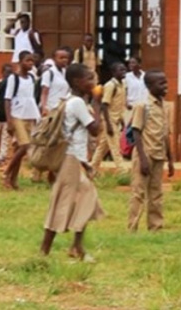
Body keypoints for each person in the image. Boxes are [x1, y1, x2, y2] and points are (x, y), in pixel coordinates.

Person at [40, 64, 104, 261]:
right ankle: (45, 250)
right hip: (71, 160)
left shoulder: (69, 100)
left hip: (75, 158)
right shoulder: (76, 103)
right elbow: (95, 129)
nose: (93, 83)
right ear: (77, 82)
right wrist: (98, 104)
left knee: (85, 198)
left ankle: (76, 247)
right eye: (89, 79)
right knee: (63, 202)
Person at [128, 71, 174, 232]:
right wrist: (142, 159)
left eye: (165, 82)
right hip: (145, 154)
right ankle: (132, 227)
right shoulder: (143, 106)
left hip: (159, 154)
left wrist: (171, 159)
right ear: (149, 86)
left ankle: (155, 227)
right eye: (161, 83)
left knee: (156, 193)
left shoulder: (165, 107)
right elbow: (136, 132)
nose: (165, 86)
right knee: (138, 192)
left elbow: (165, 134)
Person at [3, 51, 41, 190]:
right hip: (17, 115)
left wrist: (36, 116)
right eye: (27, 61)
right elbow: (7, 99)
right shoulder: (14, 78)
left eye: (32, 61)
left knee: (20, 149)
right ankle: (6, 173)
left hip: (29, 115)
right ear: (20, 62)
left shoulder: (31, 78)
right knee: (25, 146)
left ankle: (13, 180)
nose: (31, 63)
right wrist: (9, 121)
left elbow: (31, 99)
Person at [90, 62, 127, 172]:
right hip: (109, 120)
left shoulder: (123, 84)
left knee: (102, 147)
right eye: (121, 70)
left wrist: (122, 119)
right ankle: (122, 171)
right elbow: (104, 105)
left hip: (116, 119)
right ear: (114, 73)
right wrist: (108, 125)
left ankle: (92, 168)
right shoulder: (110, 85)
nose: (123, 72)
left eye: (124, 70)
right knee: (115, 147)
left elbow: (120, 103)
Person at [0, 63, 14, 164]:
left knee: (5, 136)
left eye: (10, 72)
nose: (8, 75)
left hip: (8, 114)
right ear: (2, 72)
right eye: (6, 72)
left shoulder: (13, 85)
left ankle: (2, 155)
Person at [40, 47, 71, 116]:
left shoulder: (66, 73)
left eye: (66, 58)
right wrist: (44, 107)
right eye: (61, 58)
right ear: (54, 59)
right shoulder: (49, 73)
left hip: (63, 109)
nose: (64, 60)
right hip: (51, 109)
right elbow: (44, 92)